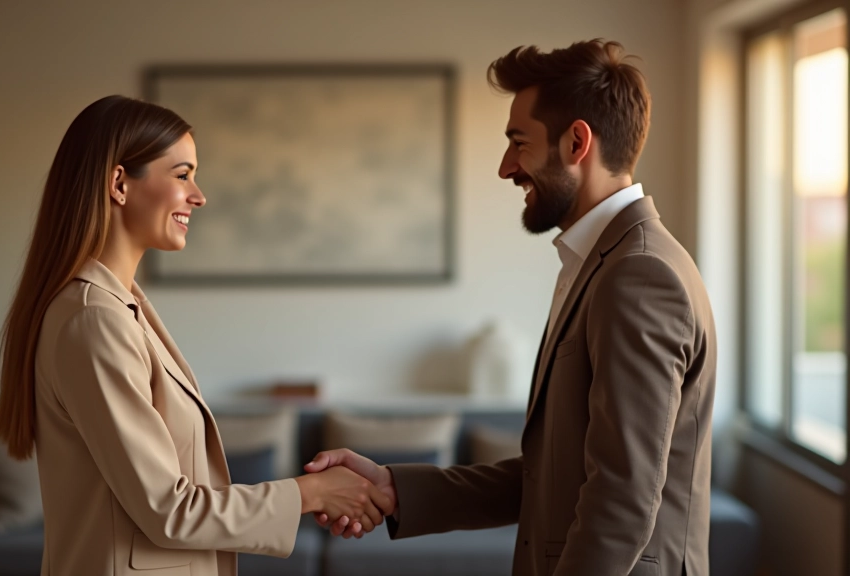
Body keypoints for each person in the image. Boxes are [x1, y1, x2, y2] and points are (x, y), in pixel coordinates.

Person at [307, 40, 717, 576]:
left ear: (576, 142)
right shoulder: (604, 262)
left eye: (518, 143)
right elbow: (554, 475)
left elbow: (623, 494)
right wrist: (395, 487)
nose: (506, 168)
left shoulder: (639, 274)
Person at [0, 95, 392, 576]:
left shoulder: (119, 308)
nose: (198, 196)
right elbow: (168, 509)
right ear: (119, 183)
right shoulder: (93, 320)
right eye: (182, 175)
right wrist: (311, 493)